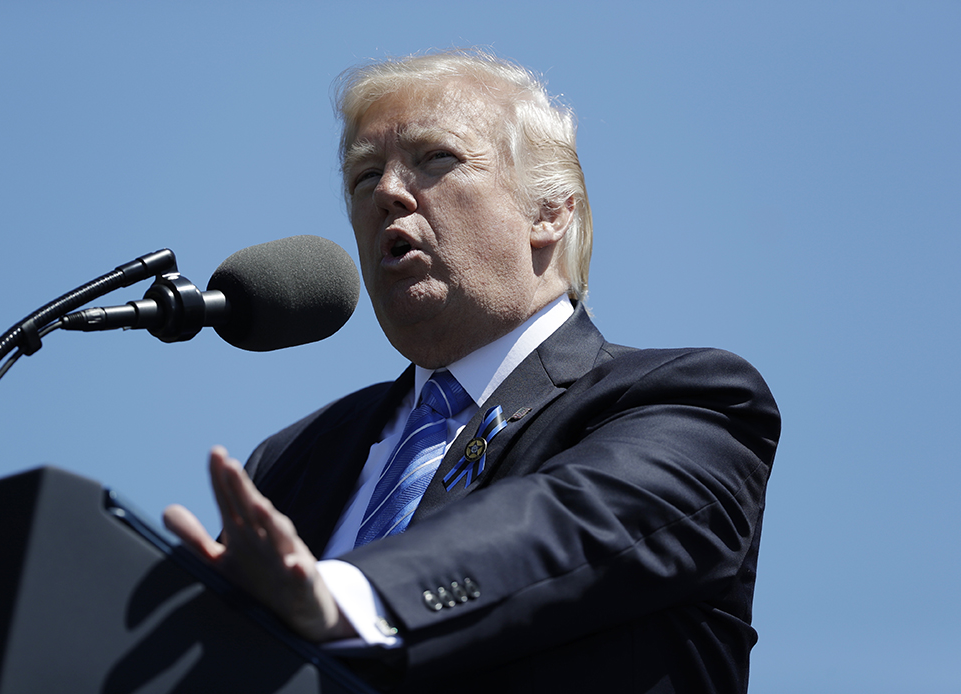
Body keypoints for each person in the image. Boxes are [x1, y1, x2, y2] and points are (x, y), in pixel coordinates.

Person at [164, 49, 780, 694]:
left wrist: (345, 594)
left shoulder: (689, 401)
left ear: (549, 212)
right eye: (363, 177)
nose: (388, 194)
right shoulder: (293, 461)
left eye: (437, 159)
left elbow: (567, 526)